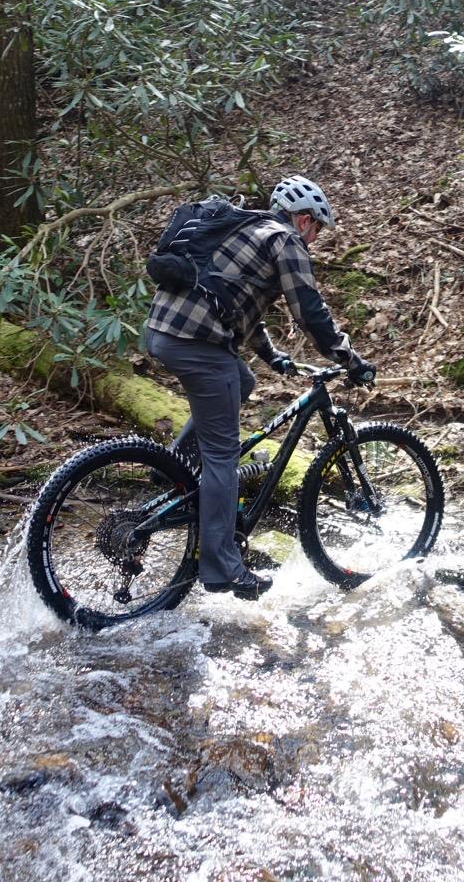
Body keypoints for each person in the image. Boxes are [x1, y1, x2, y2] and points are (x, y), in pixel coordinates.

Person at [143, 175, 374, 601]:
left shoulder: (247, 228)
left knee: (242, 381)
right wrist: (350, 360)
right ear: (305, 219)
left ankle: (173, 469)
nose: (315, 237)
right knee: (222, 455)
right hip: (197, 345)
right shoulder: (286, 241)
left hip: (162, 332)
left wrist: (270, 358)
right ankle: (223, 567)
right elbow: (309, 312)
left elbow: (232, 300)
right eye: (318, 228)